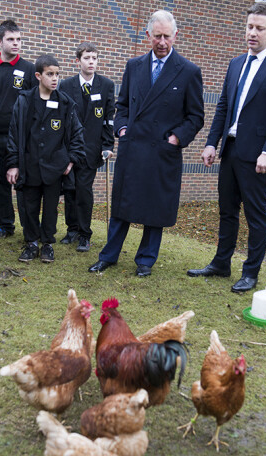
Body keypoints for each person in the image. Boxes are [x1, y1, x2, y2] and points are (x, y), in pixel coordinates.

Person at [187, 1, 266, 293]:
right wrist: (212, 143)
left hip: (259, 154)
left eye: (259, 28)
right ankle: (221, 264)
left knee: (255, 216)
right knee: (226, 210)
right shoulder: (236, 62)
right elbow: (223, 106)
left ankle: (251, 272)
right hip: (232, 150)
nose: (252, 33)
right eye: (249, 26)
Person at [88, 10, 204, 277]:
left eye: (167, 36)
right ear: (148, 35)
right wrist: (122, 129)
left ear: (175, 36)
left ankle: (145, 260)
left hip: (163, 151)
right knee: (121, 206)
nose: (162, 42)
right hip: (133, 148)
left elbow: (196, 116)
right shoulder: (134, 66)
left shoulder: (188, 71)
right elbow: (123, 105)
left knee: (156, 207)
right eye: (157, 36)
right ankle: (109, 255)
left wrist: (176, 138)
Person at [6, 55, 85, 263]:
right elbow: (14, 134)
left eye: (57, 74)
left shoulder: (65, 103)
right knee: (29, 206)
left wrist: (70, 160)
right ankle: (31, 242)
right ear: (38, 76)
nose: (55, 78)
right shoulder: (24, 102)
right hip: (29, 165)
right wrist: (13, 164)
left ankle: (48, 243)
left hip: (54, 167)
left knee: (51, 208)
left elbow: (77, 134)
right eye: (50, 74)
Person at [0, 20, 37, 239]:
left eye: (19, 39)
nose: (16, 44)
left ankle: (30, 229)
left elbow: (35, 104)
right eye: (11, 39)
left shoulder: (29, 69)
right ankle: (4, 224)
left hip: (20, 138)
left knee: (22, 183)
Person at [59, 42, 115, 252]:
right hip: (70, 150)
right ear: (78, 61)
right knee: (70, 189)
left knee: (84, 190)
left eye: (94, 58)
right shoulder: (66, 85)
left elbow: (109, 118)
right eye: (87, 58)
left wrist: (108, 144)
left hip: (92, 150)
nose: (91, 62)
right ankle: (72, 229)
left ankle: (85, 234)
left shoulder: (106, 85)